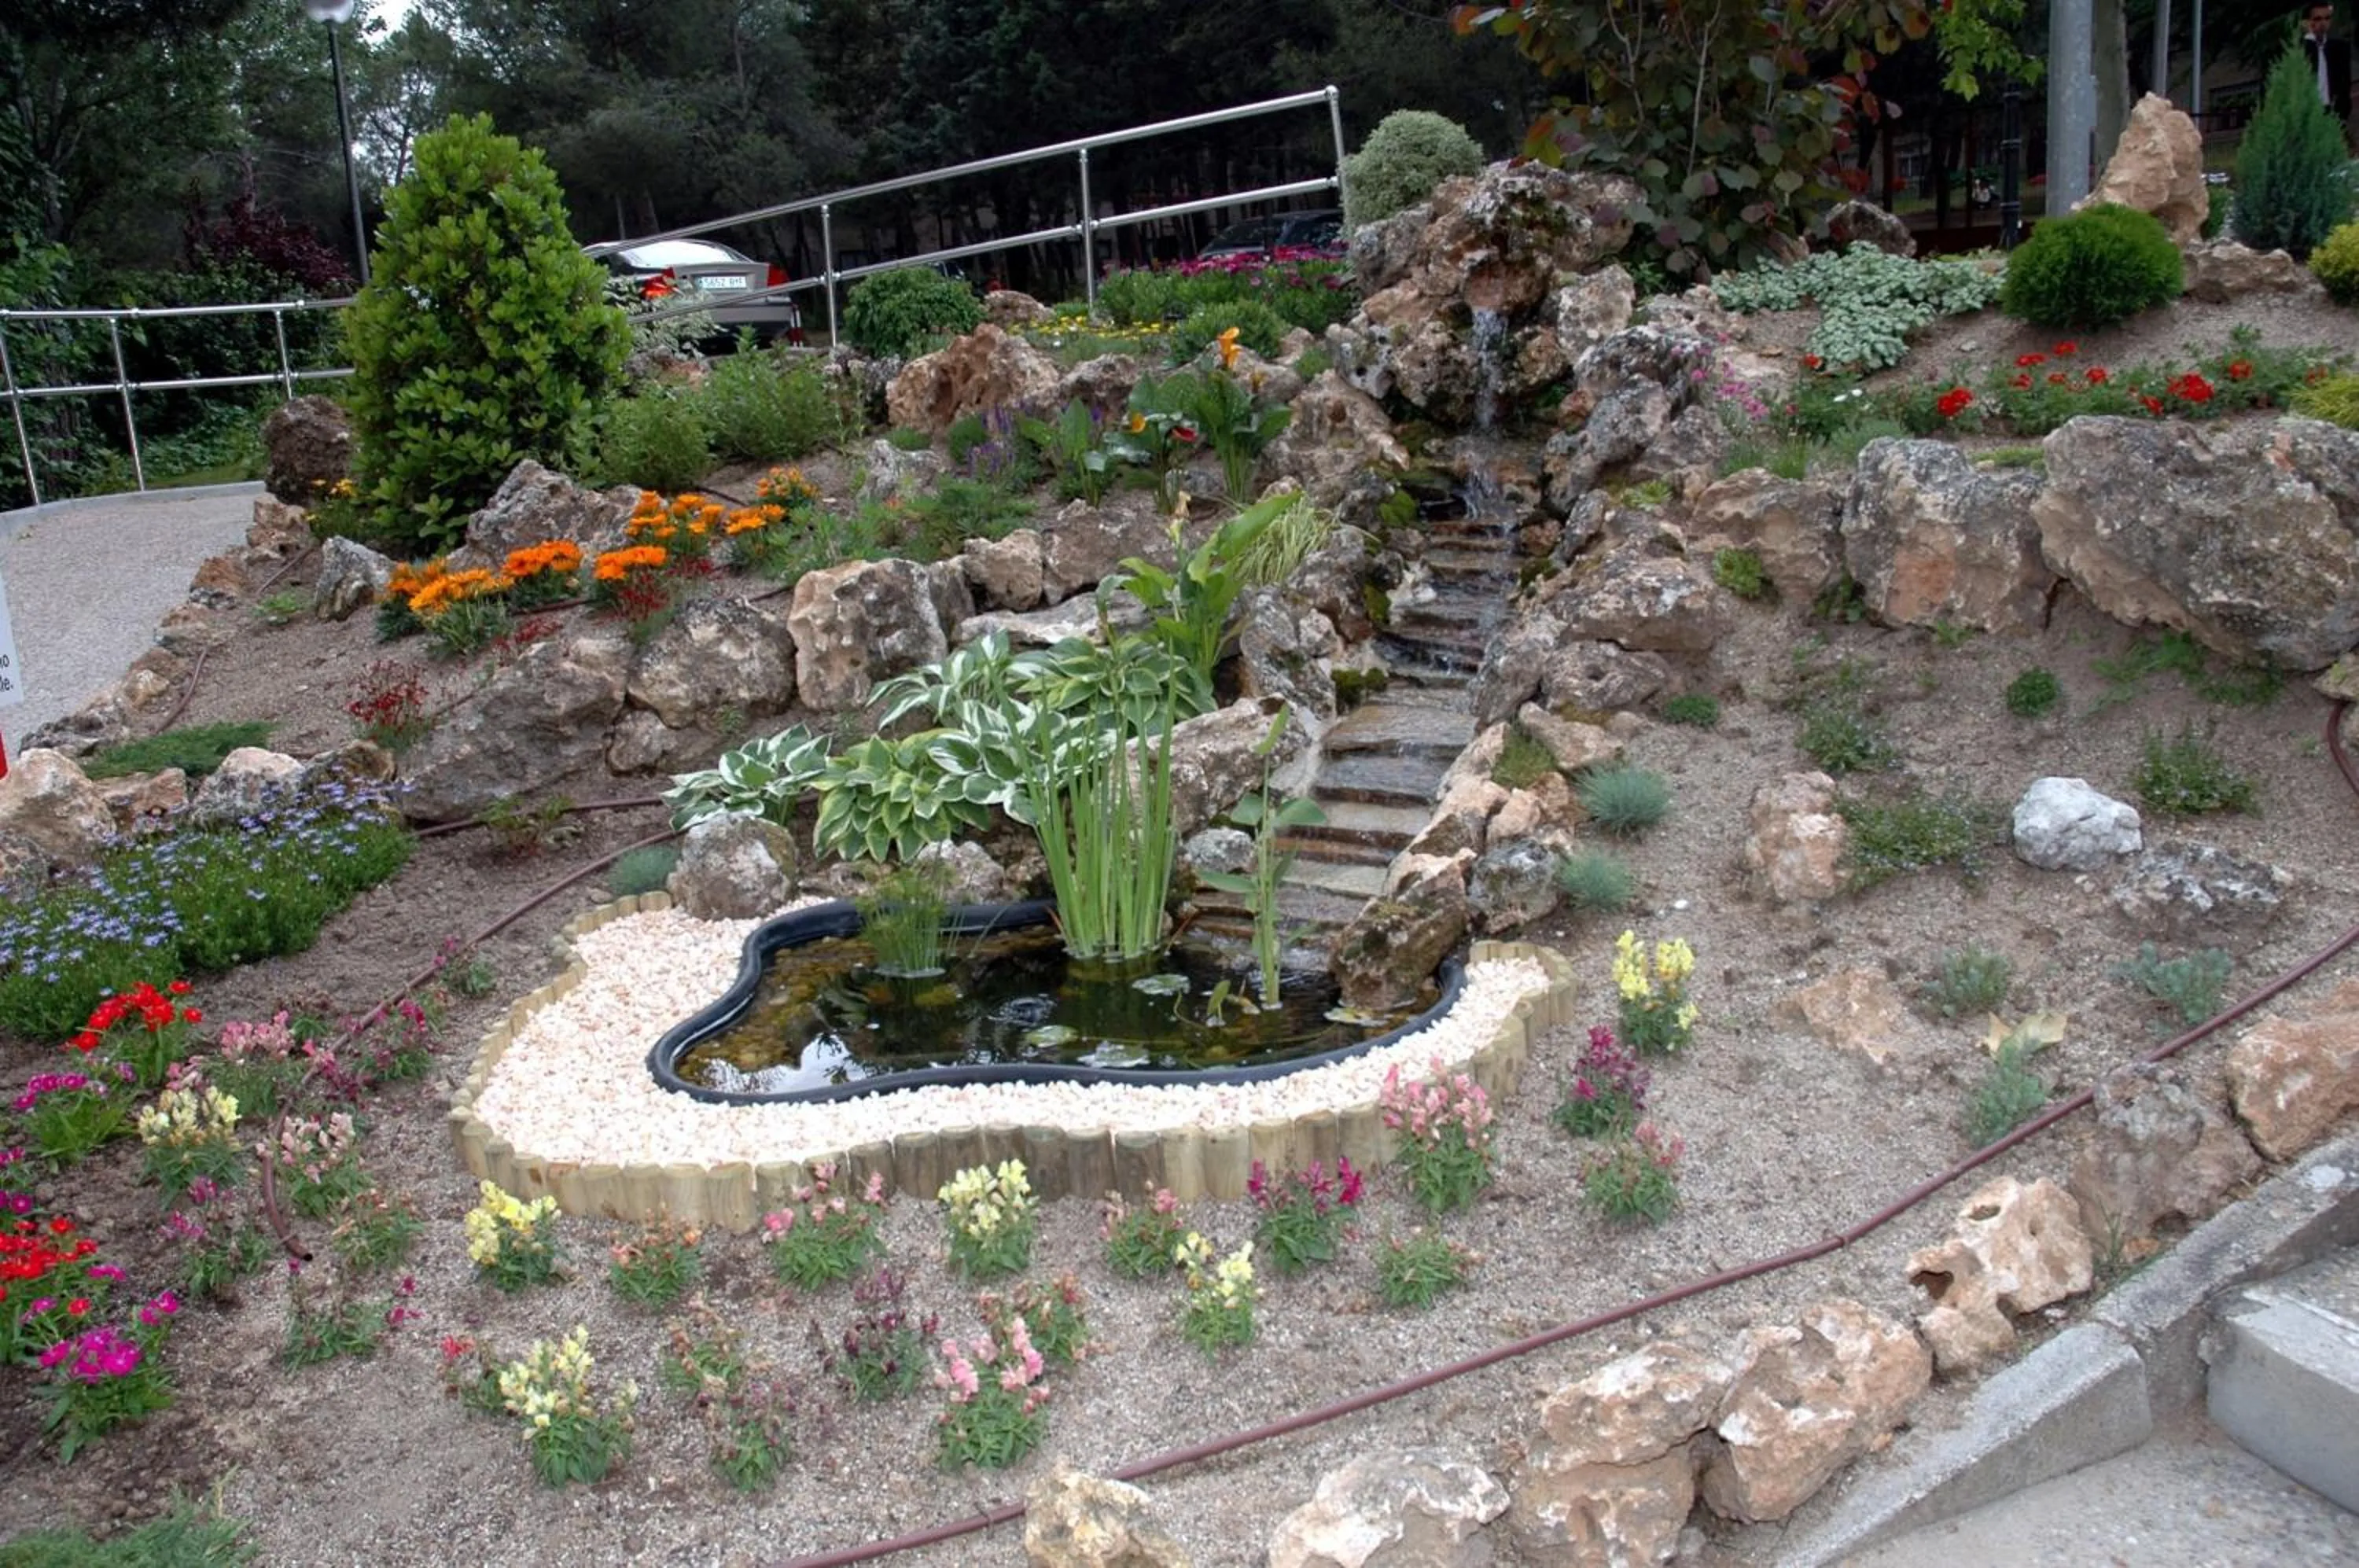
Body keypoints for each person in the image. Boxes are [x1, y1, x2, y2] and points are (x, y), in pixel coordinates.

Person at [2302, 2, 2353, 129]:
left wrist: (2342, 113)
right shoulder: (2299, 50)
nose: (2323, 23)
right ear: (2307, 22)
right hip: (2307, 112)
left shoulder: (2340, 48)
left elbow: (2345, 83)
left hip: (2333, 111)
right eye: (2317, 19)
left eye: (2327, 18)